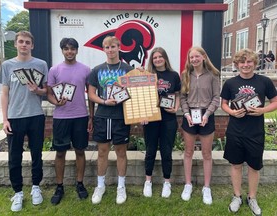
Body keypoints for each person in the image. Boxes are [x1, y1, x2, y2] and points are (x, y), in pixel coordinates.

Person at [220, 48, 277, 215]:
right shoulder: (230, 83)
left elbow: (275, 101)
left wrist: (263, 110)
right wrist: (231, 112)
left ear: (254, 63)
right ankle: (237, 196)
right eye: (242, 62)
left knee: (254, 167)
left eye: (249, 61)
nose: (246, 65)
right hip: (235, 131)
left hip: (255, 131)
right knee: (236, 165)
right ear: (237, 64)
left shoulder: (264, 81)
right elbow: (224, 103)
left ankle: (252, 197)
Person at [0, 31, 48, 212]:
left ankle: (36, 187)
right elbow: (4, 93)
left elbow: (46, 90)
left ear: (32, 45)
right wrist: (4, 119)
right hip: (15, 117)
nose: (24, 45)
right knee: (14, 156)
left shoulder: (41, 64)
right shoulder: (7, 65)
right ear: (16, 44)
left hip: (35, 115)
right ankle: (17, 192)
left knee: (37, 154)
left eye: (27, 42)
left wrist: (38, 90)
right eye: (21, 42)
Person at [47, 38, 93, 205]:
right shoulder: (54, 70)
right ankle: (59, 187)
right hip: (61, 118)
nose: (69, 52)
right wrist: (55, 102)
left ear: (77, 50)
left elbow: (91, 94)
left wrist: (91, 116)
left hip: (80, 116)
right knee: (60, 153)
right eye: (66, 49)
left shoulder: (86, 70)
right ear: (62, 50)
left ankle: (80, 184)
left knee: (80, 151)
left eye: (72, 48)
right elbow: (49, 94)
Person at [88, 36, 133, 204]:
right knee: (102, 152)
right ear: (103, 49)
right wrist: (104, 101)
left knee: (121, 152)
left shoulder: (128, 69)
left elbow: (135, 93)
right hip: (103, 115)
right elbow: (91, 94)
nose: (110, 50)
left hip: (121, 117)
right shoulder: (97, 70)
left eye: (113, 46)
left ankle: (121, 186)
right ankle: (100, 185)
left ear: (119, 47)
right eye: (107, 47)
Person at [180, 46, 220, 205]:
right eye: (191, 57)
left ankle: (206, 187)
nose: (194, 59)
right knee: (188, 152)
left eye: (197, 56)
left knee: (206, 153)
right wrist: (186, 114)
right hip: (189, 115)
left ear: (203, 57)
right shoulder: (185, 75)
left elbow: (216, 98)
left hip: (206, 116)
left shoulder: (213, 75)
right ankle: (188, 184)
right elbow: (182, 97)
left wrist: (207, 114)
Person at [142, 47, 181, 198]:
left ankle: (167, 182)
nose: (157, 59)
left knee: (166, 151)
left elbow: (177, 94)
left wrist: (176, 107)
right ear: (152, 60)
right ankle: (148, 181)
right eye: (154, 57)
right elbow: (141, 96)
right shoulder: (147, 75)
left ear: (165, 58)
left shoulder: (173, 75)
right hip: (151, 118)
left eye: (160, 57)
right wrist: (143, 114)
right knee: (150, 150)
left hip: (168, 118)